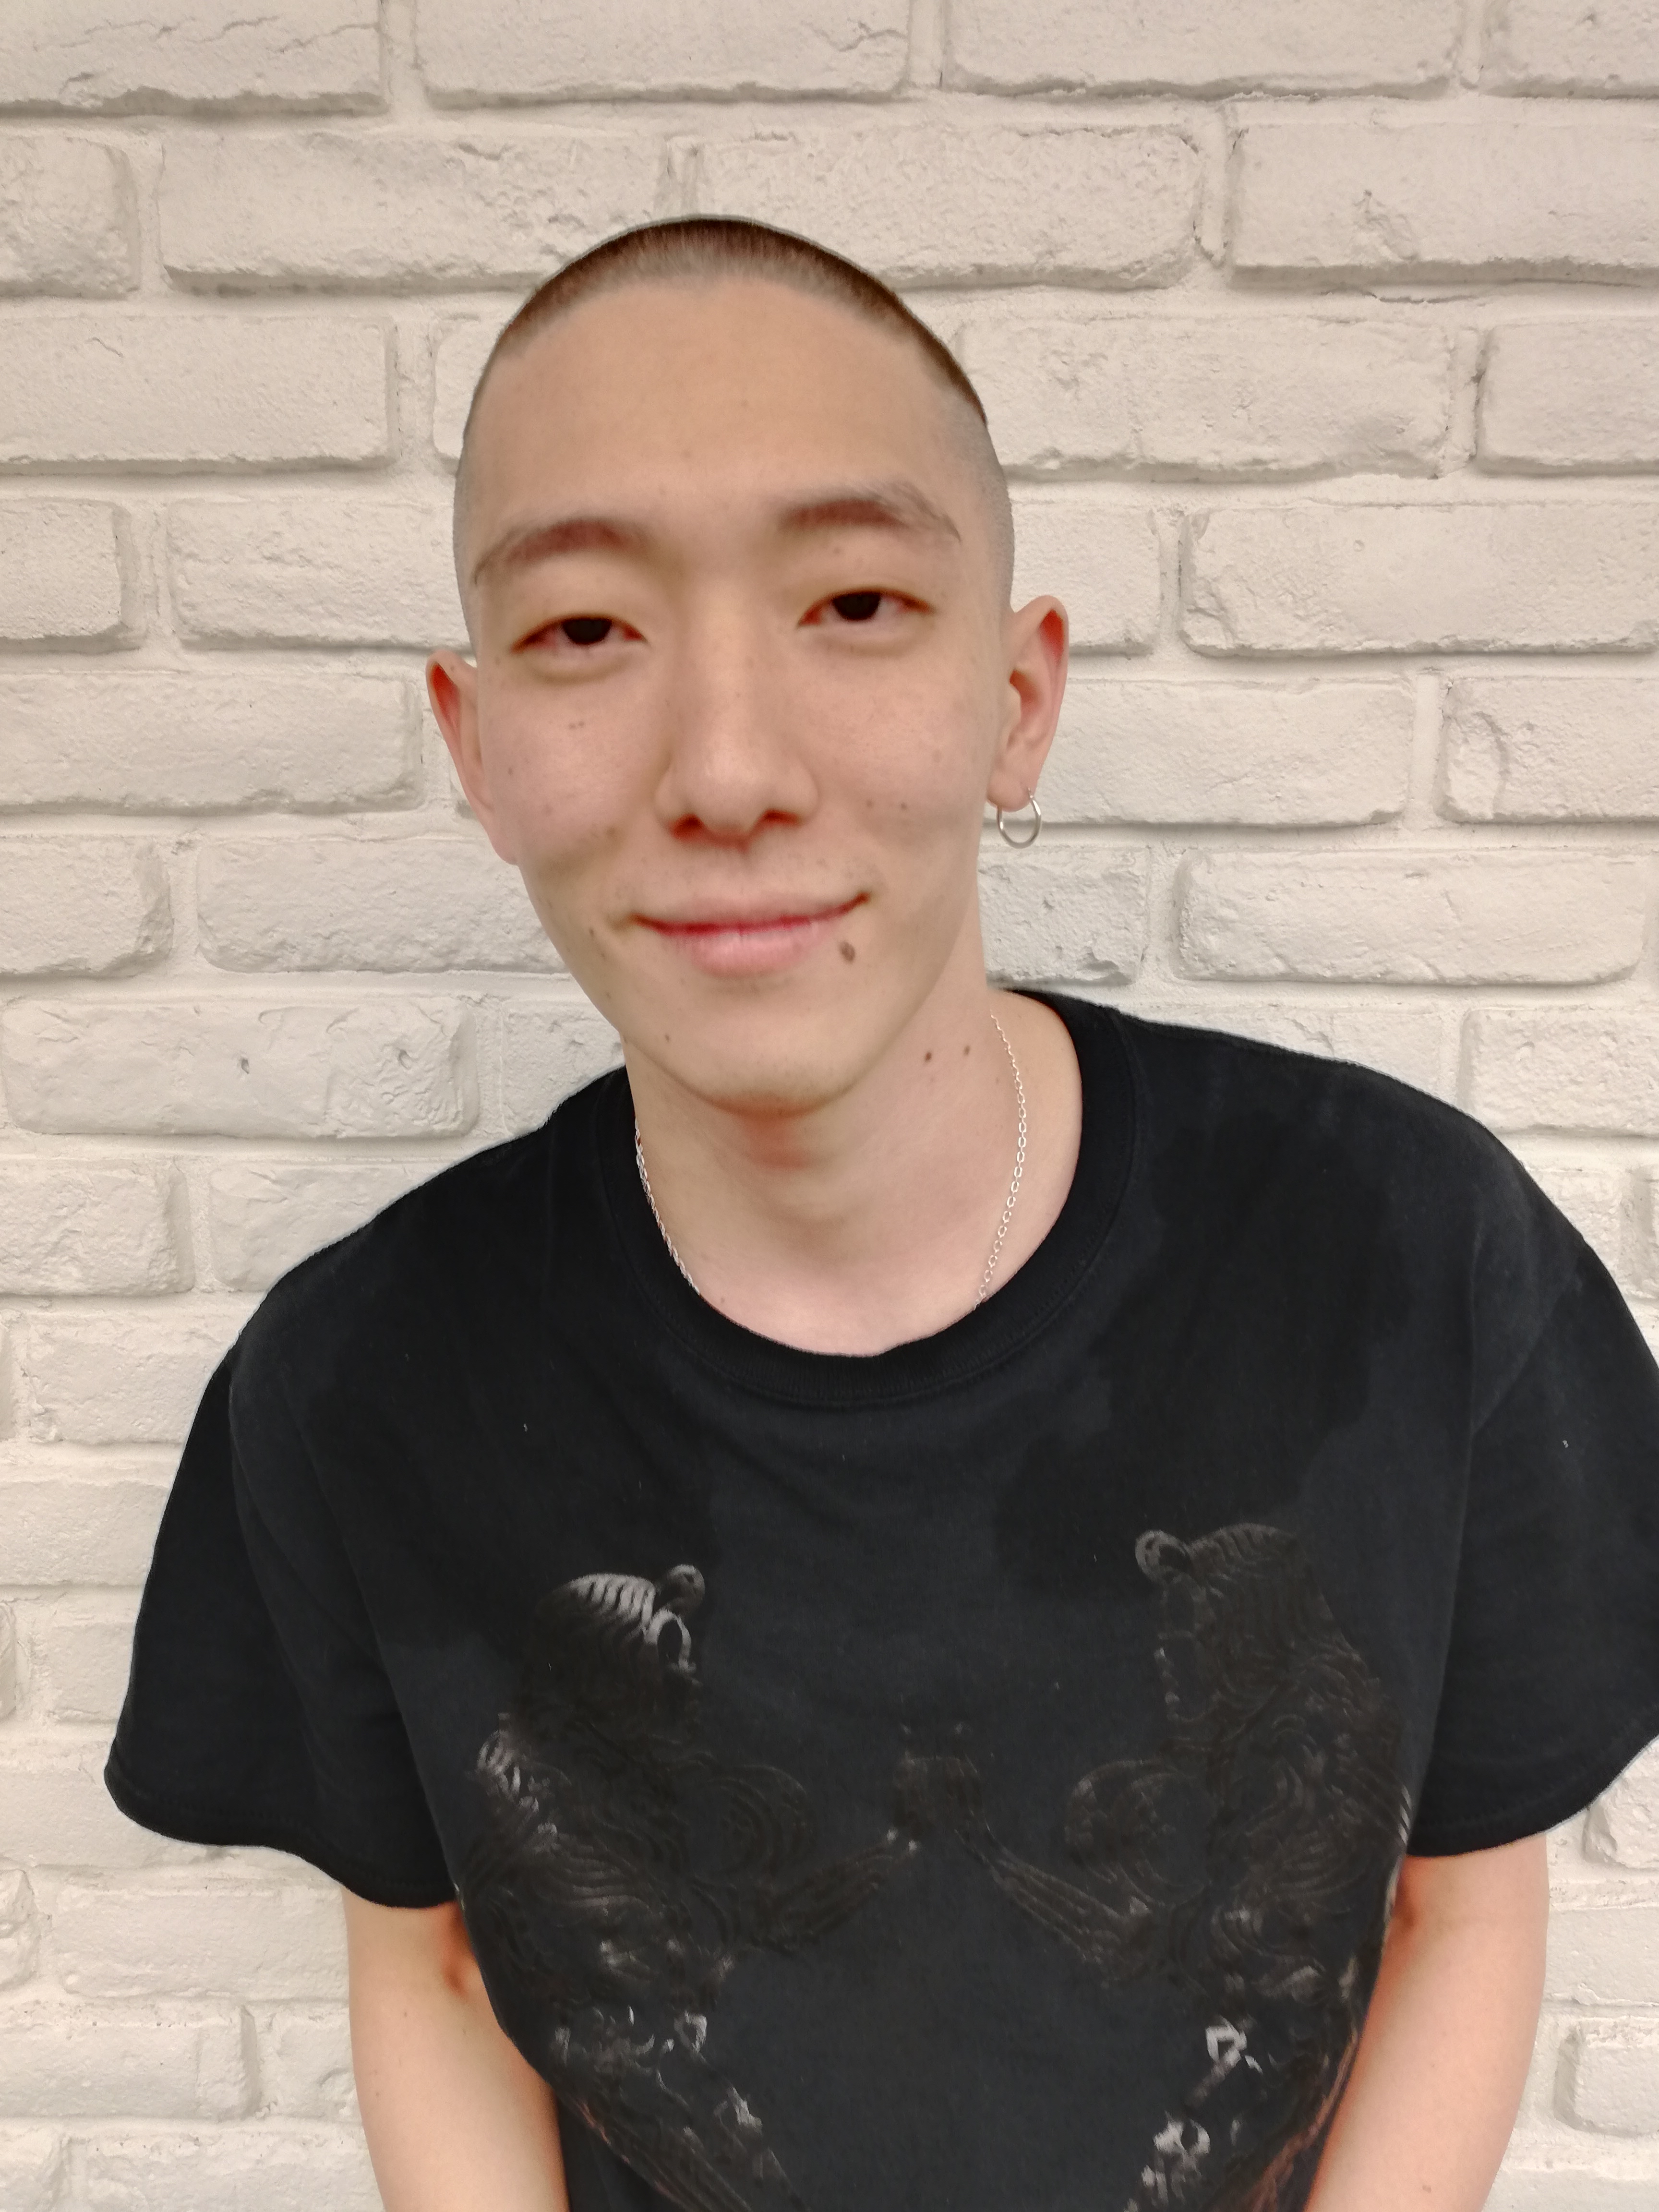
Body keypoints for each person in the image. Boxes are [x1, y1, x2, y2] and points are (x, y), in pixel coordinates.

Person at [108, 218, 1659, 2212]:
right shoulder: (359, 1384)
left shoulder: (1405, 1261)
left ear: (1016, 699)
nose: (728, 767)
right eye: (583, 630)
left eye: (853, 601)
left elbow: (1459, 1903)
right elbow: (439, 1966)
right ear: (474, 744)